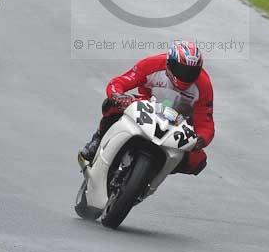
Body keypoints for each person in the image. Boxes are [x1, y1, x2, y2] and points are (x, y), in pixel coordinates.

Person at [79, 40, 214, 175]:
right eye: (181, 69)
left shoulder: (203, 85)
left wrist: (200, 140)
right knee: (111, 105)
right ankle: (97, 139)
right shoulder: (151, 64)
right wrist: (118, 97)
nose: (185, 75)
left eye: (191, 72)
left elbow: (205, 122)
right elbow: (118, 83)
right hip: (147, 106)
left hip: (178, 121)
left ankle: (154, 171)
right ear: (169, 64)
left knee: (198, 161)